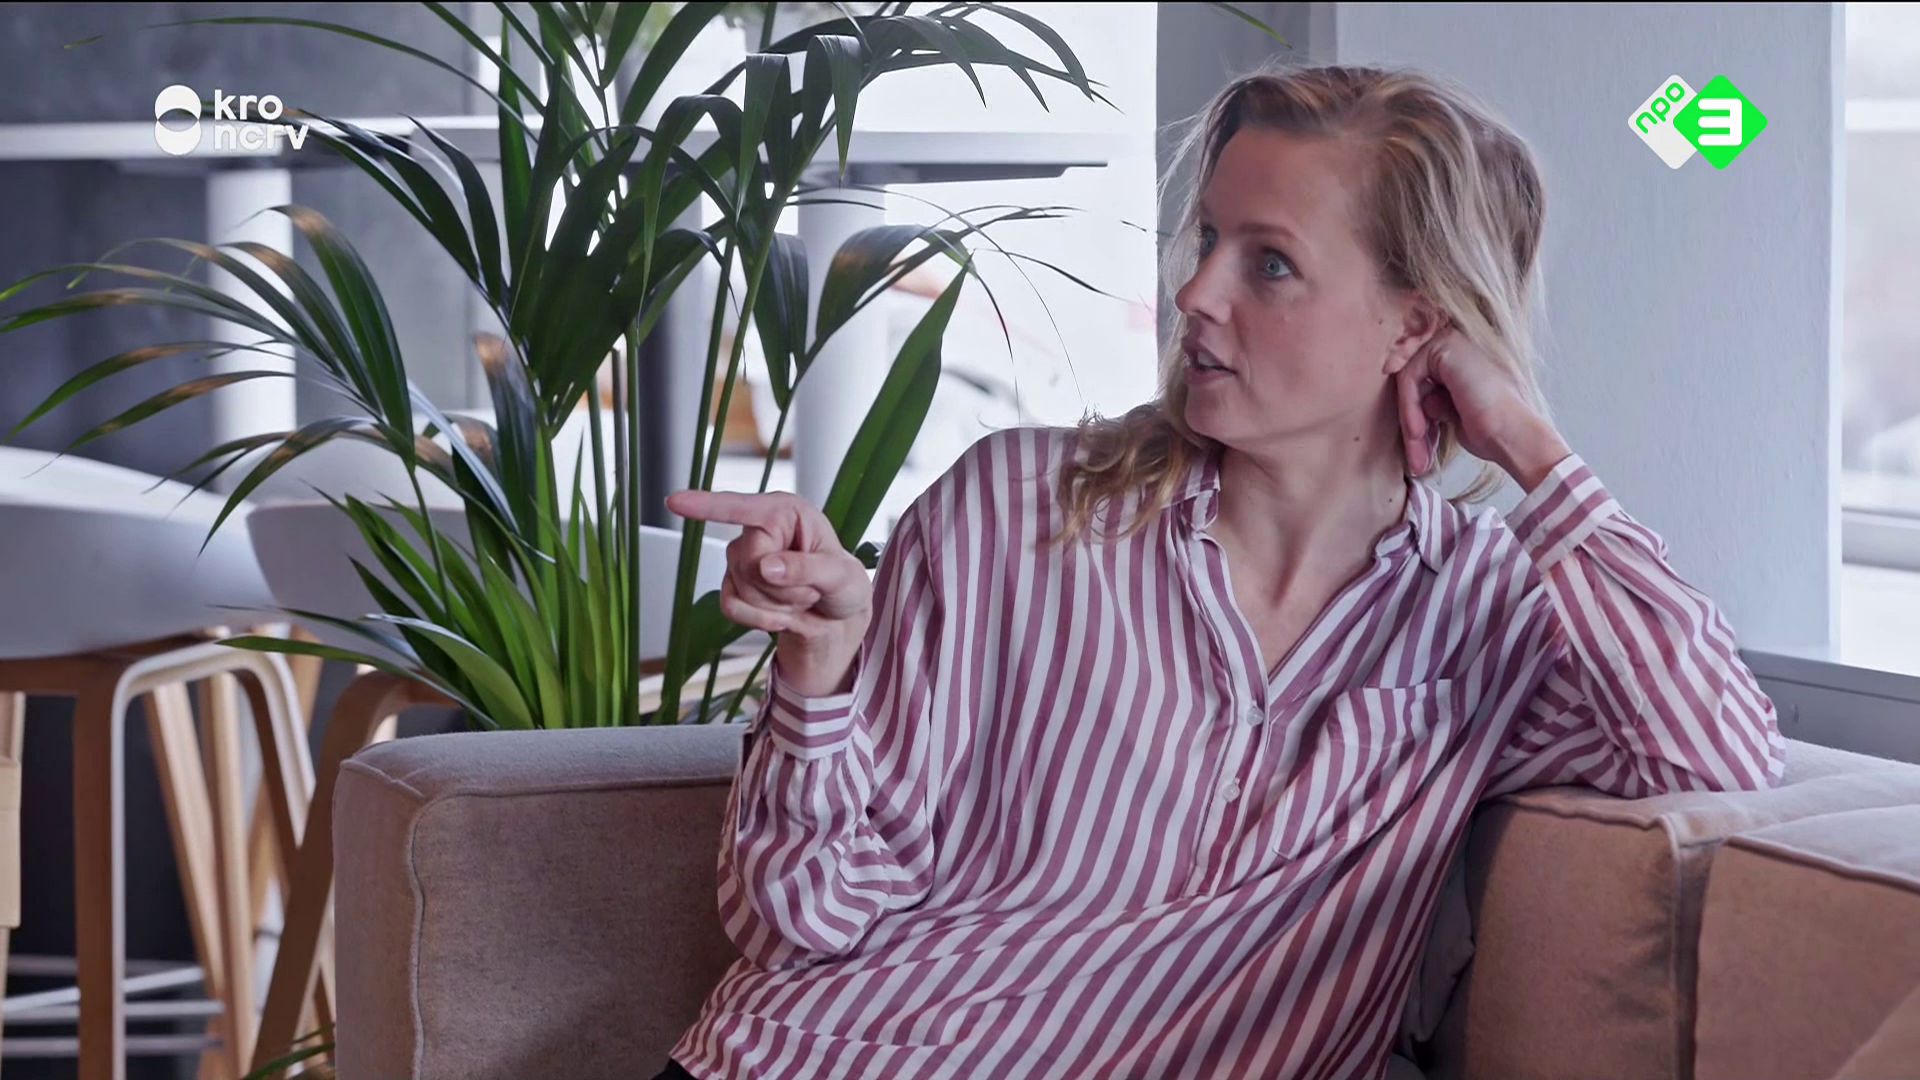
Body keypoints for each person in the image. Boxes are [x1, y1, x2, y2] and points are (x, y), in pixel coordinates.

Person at [659, 63, 1787, 1080]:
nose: (1196, 293)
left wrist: (1529, 447)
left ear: (1416, 326)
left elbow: (1718, 751)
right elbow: (797, 921)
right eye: (1206, 240)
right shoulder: (1013, 509)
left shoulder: (1490, 609)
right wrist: (817, 675)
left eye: (1270, 263)